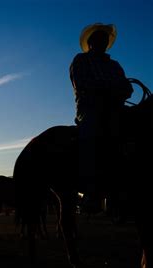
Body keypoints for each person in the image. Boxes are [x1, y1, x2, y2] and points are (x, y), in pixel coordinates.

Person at [69, 23, 133, 212]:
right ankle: (91, 191)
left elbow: (127, 87)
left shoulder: (114, 65)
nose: (102, 42)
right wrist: (109, 91)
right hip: (90, 109)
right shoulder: (81, 61)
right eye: (98, 39)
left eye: (104, 40)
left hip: (117, 109)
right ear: (90, 43)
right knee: (91, 134)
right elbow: (82, 85)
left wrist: (119, 92)